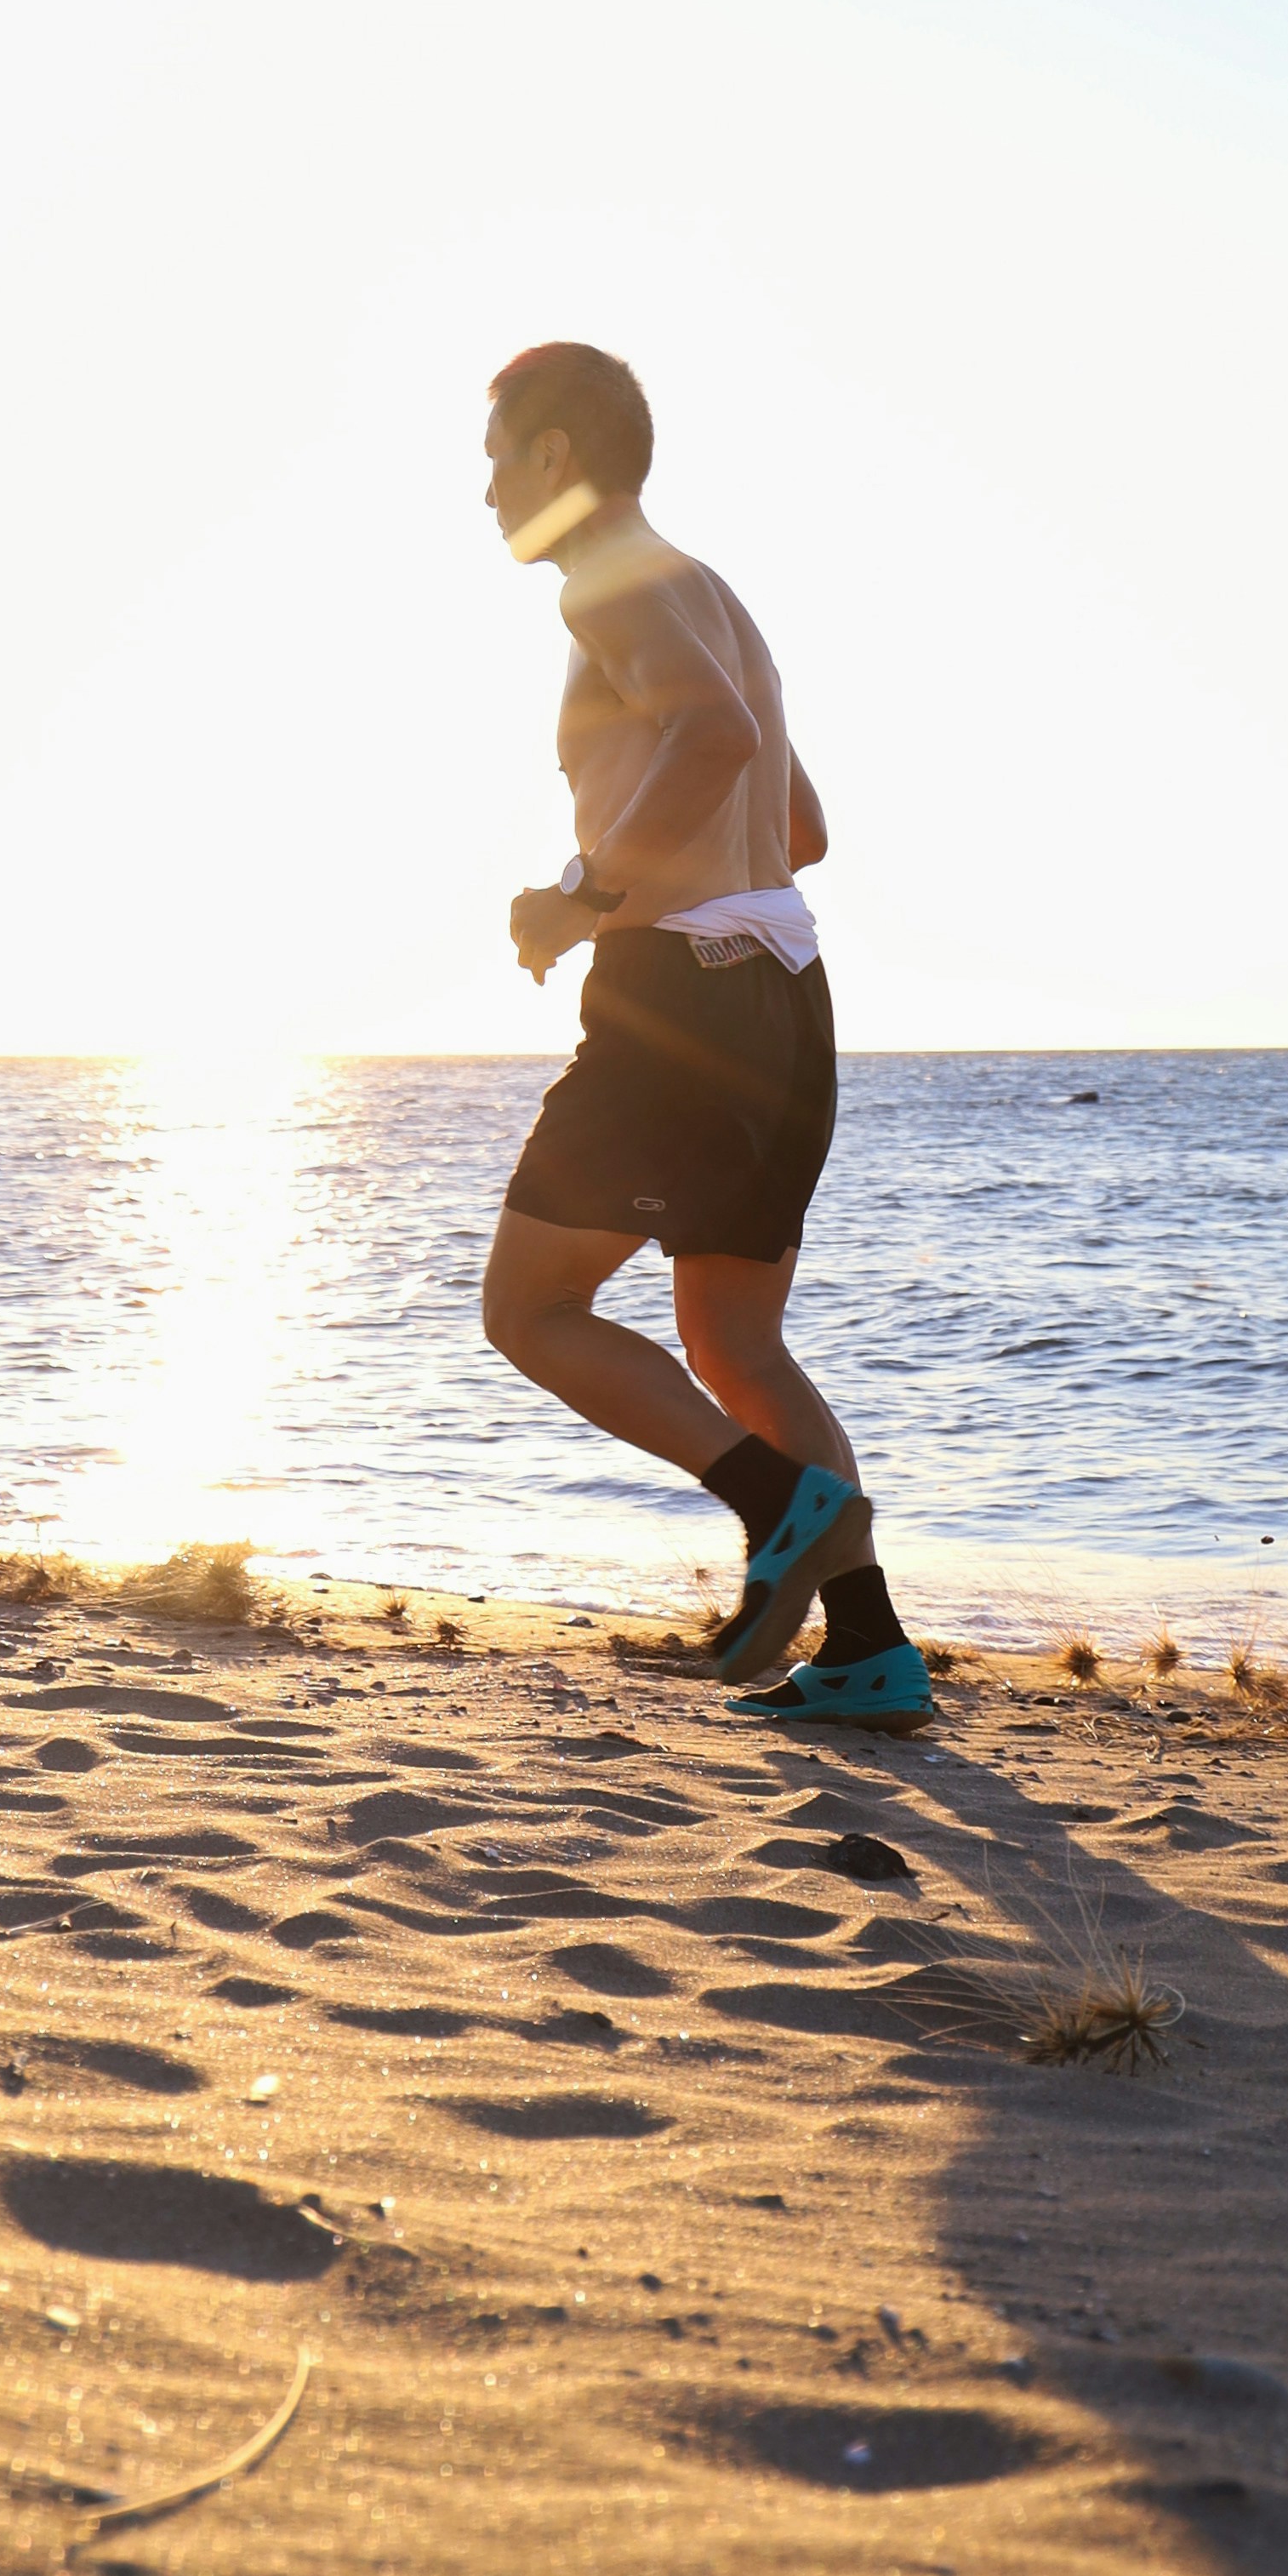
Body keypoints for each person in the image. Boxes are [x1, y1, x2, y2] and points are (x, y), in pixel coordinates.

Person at [476, 339, 933, 1727]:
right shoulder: (713, 591)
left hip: (679, 992)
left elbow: (720, 739)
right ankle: (867, 1649)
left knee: (530, 1308)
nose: (487, 490)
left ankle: (771, 1504)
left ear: (557, 454)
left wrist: (581, 892)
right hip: (786, 995)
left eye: (496, 455)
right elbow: (801, 829)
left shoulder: (606, 578)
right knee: (738, 1344)